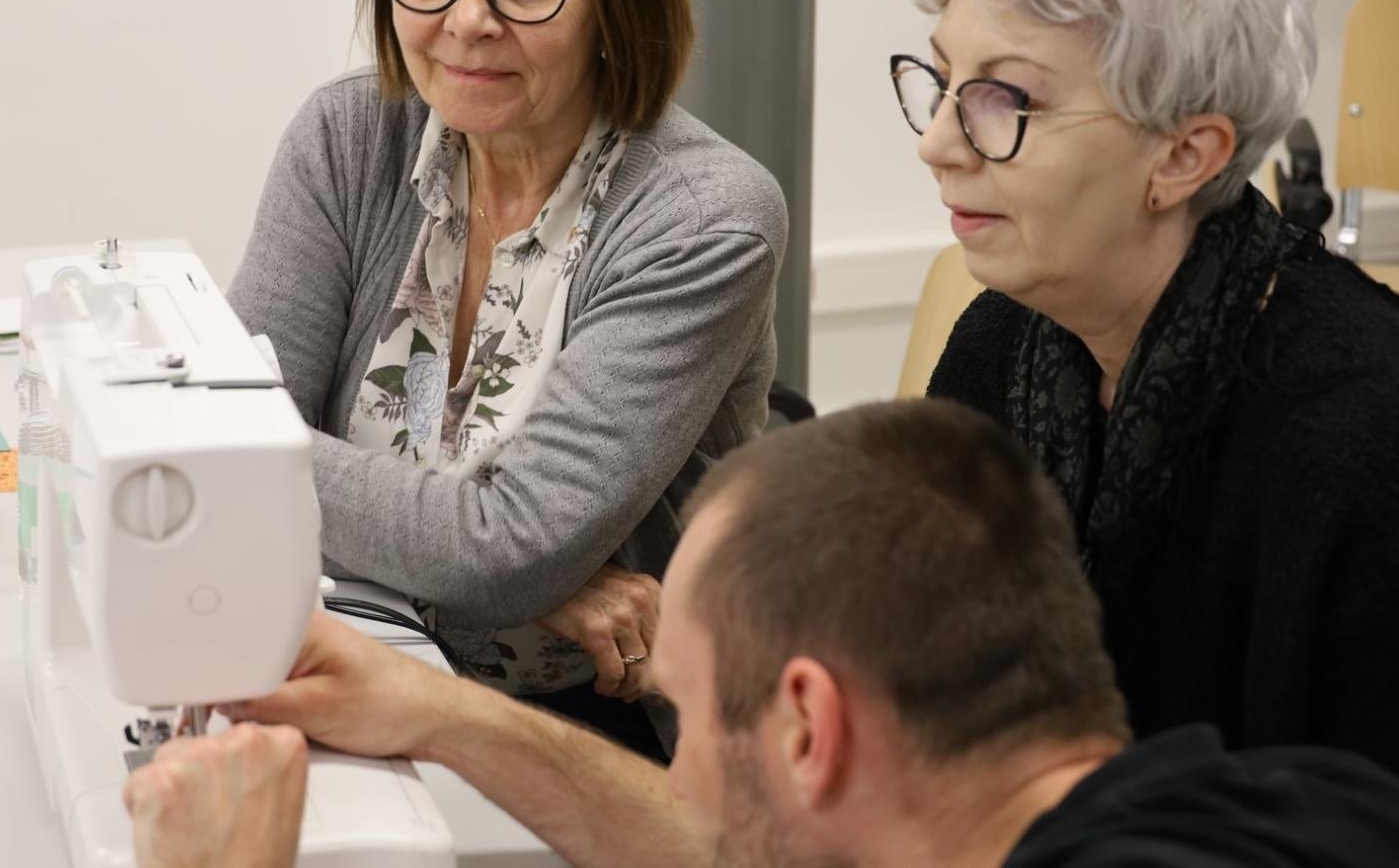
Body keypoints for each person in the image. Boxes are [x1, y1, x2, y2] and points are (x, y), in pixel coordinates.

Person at [123, 400, 1399, 867]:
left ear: (807, 722)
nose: (676, 778)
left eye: (682, 718)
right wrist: (441, 709)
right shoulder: (1307, 792)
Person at [225, 0, 787, 750]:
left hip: (598, 726)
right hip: (361, 657)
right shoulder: (346, 137)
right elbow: (224, 447)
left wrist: (505, 558)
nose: (468, 21)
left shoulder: (706, 219)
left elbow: (502, 546)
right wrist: (502, 560)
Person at [890, 0, 1399, 769]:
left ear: (1183, 155)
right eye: (945, 79)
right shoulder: (998, 345)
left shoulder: (1364, 427)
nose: (937, 144)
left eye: (1007, 99)